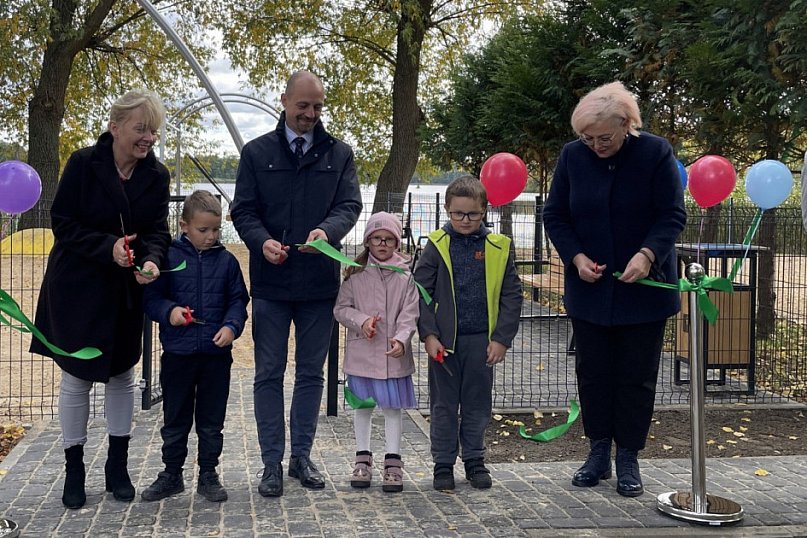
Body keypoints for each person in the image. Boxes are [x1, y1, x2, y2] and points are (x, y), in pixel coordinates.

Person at [542, 81, 687, 497]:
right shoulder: (572, 158)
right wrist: (575, 256)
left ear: (626, 124)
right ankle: (597, 451)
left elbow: (671, 215)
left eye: (603, 137)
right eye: (587, 138)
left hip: (644, 290)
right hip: (589, 291)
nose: (595, 145)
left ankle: (629, 457)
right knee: (593, 374)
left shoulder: (656, 153)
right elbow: (555, 216)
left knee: (636, 377)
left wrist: (647, 254)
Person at [31, 90, 171, 509]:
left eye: (153, 131)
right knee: (76, 376)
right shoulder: (82, 163)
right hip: (77, 285)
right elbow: (63, 224)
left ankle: (118, 466)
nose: (148, 138)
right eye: (140, 128)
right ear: (115, 127)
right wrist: (107, 247)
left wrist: (151, 260)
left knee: (122, 375)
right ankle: (74, 470)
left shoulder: (157, 176)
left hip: (124, 292)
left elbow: (158, 233)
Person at [230, 70, 362, 497]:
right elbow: (243, 211)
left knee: (310, 375)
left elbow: (350, 205)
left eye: (317, 106)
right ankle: (271, 463)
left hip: (318, 286)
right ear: (283, 100)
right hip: (270, 284)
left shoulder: (339, 154)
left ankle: (300, 457)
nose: (310, 114)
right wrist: (262, 241)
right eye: (303, 105)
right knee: (268, 373)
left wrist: (327, 231)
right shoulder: (256, 152)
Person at [413, 175, 523, 491]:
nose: (465, 220)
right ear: (447, 210)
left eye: (472, 214)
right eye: (458, 213)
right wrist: (428, 334)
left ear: (484, 210)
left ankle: (474, 460)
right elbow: (421, 292)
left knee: (477, 404)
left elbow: (511, 295)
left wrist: (502, 338)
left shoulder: (499, 247)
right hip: (444, 344)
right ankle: (443, 463)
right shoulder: (436, 245)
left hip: (481, 341)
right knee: (443, 405)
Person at [141, 191, 249, 503]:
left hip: (216, 357)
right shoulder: (168, 259)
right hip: (178, 354)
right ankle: (171, 473)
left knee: (211, 420)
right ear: (184, 225)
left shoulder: (227, 262)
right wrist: (170, 312)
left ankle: (208, 473)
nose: (210, 236)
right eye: (203, 230)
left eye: (215, 230)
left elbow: (238, 301)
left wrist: (231, 327)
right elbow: (152, 299)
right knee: (175, 418)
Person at [333, 212, 419, 493]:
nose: (382, 244)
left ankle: (393, 461)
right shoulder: (354, 274)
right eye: (377, 238)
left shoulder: (406, 277)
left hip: (393, 356)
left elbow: (410, 313)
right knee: (363, 407)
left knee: (393, 409)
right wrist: (362, 321)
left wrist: (402, 339)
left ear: (396, 242)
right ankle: (362, 459)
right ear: (368, 241)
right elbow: (341, 309)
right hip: (362, 355)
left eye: (389, 239)